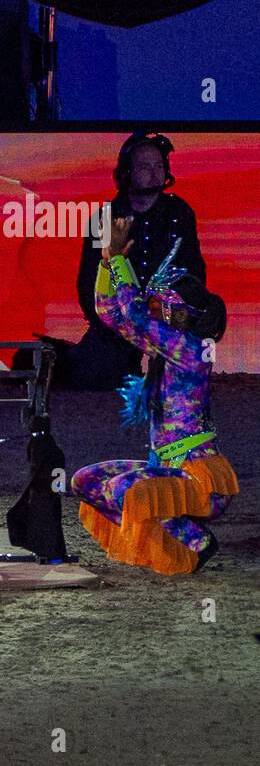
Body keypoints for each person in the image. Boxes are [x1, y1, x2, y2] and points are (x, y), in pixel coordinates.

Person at [69, 217, 237, 575]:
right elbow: (111, 313)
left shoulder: (189, 349)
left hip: (198, 479)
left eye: (162, 305)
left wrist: (118, 259)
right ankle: (174, 533)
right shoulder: (166, 348)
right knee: (85, 482)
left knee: (119, 490)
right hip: (164, 469)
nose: (155, 310)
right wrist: (105, 263)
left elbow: (133, 313)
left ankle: (196, 539)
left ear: (182, 314)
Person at [62, 131, 208, 390]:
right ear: (127, 172)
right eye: (144, 166)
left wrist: (175, 315)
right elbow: (89, 280)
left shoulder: (180, 213)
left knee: (183, 381)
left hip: (167, 319)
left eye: (159, 166)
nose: (154, 173)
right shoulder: (106, 217)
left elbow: (194, 272)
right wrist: (109, 323)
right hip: (119, 320)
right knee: (88, 378)